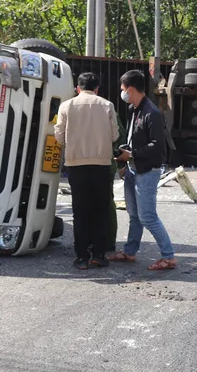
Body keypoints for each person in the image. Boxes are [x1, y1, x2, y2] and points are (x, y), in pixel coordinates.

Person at [108, 69, 177, 271]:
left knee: (147, 216)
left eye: (123, 89)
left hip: (147, 171)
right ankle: (130, 252)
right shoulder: (133, 109)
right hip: (133, 168)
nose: (122, 93)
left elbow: (157, 146)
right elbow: (134, 138)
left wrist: (132, 154)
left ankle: (169, 256)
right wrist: (126, 156)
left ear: (130, 89)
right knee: (134, 214)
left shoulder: (152, 113)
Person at [54, 72, 120, 270]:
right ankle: (98, 255)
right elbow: (115, 135)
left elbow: (58, 136)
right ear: (97, 89)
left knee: (80, 212)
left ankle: (82, 256)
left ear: (78, 88)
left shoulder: (66, 106)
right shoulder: (107, 105)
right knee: (100, 210)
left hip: (76, 165)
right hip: (101, 164)